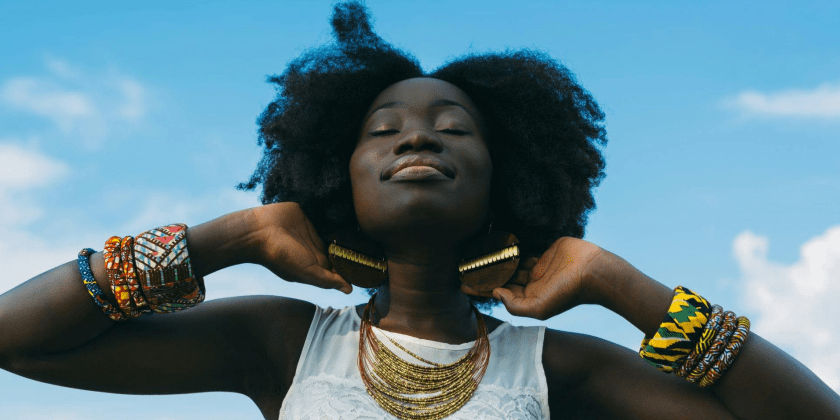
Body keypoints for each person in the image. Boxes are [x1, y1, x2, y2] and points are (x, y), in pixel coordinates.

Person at [1, 2, 838, 419]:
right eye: (384, 130)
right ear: (340, 176)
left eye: (453, 128)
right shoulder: (283, 344)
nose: (418, 141)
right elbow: (14, 337)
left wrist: (618, 284)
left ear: (504, 181)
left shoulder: (556, 370)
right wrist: (236, 236)